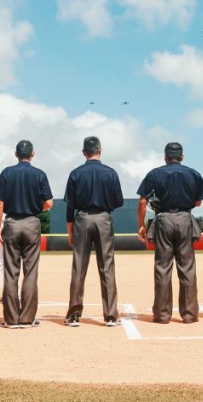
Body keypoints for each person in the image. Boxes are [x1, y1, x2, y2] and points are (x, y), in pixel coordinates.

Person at [137, 142, 203, 324]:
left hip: (163, 219)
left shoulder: (154, 173)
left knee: (162, 268)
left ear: (165, 156)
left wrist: (141, 225)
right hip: (184, 218)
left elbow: (143, 201)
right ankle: (190, 314)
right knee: (187, 269)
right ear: (182, 156)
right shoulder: (194, 174)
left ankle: (162, 314)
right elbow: (198, 203)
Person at [63, 136, 124, 328]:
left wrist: (70, 229)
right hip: (104, 218)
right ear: (100, 150)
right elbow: (118, 201)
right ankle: (111, 315)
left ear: (84, 152)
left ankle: (74, 315)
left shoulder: (75, 173)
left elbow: (69, 205)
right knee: (107, 267)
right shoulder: (111, 173)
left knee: (79, 268)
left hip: (82, 218)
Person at [0, 140, 54, 329]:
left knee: (11, 272)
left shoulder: (6, 173)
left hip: (11, 222)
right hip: (32, 222)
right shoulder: (40, 174)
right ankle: (27, 318)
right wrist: (36, 209)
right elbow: (49, 203)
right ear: (32, 154)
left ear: (15, 153)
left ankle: (11, 319)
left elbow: (0, 202)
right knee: (31, 272)